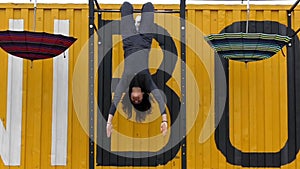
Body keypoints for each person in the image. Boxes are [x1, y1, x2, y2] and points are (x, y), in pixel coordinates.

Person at [106, 1, 168, 138]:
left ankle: (136, 24)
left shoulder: (126, 81)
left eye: (133, 100)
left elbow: (116, 98)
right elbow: (159, 97)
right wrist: (164, 119)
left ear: (130, 96)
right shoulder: (146, 81)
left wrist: (109, 122)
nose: (135, 98)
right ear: (143, 96)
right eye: (138, 100)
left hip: (128, 41)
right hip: (145, 41)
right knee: (149, 6)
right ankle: (139, 24)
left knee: (126, 6)